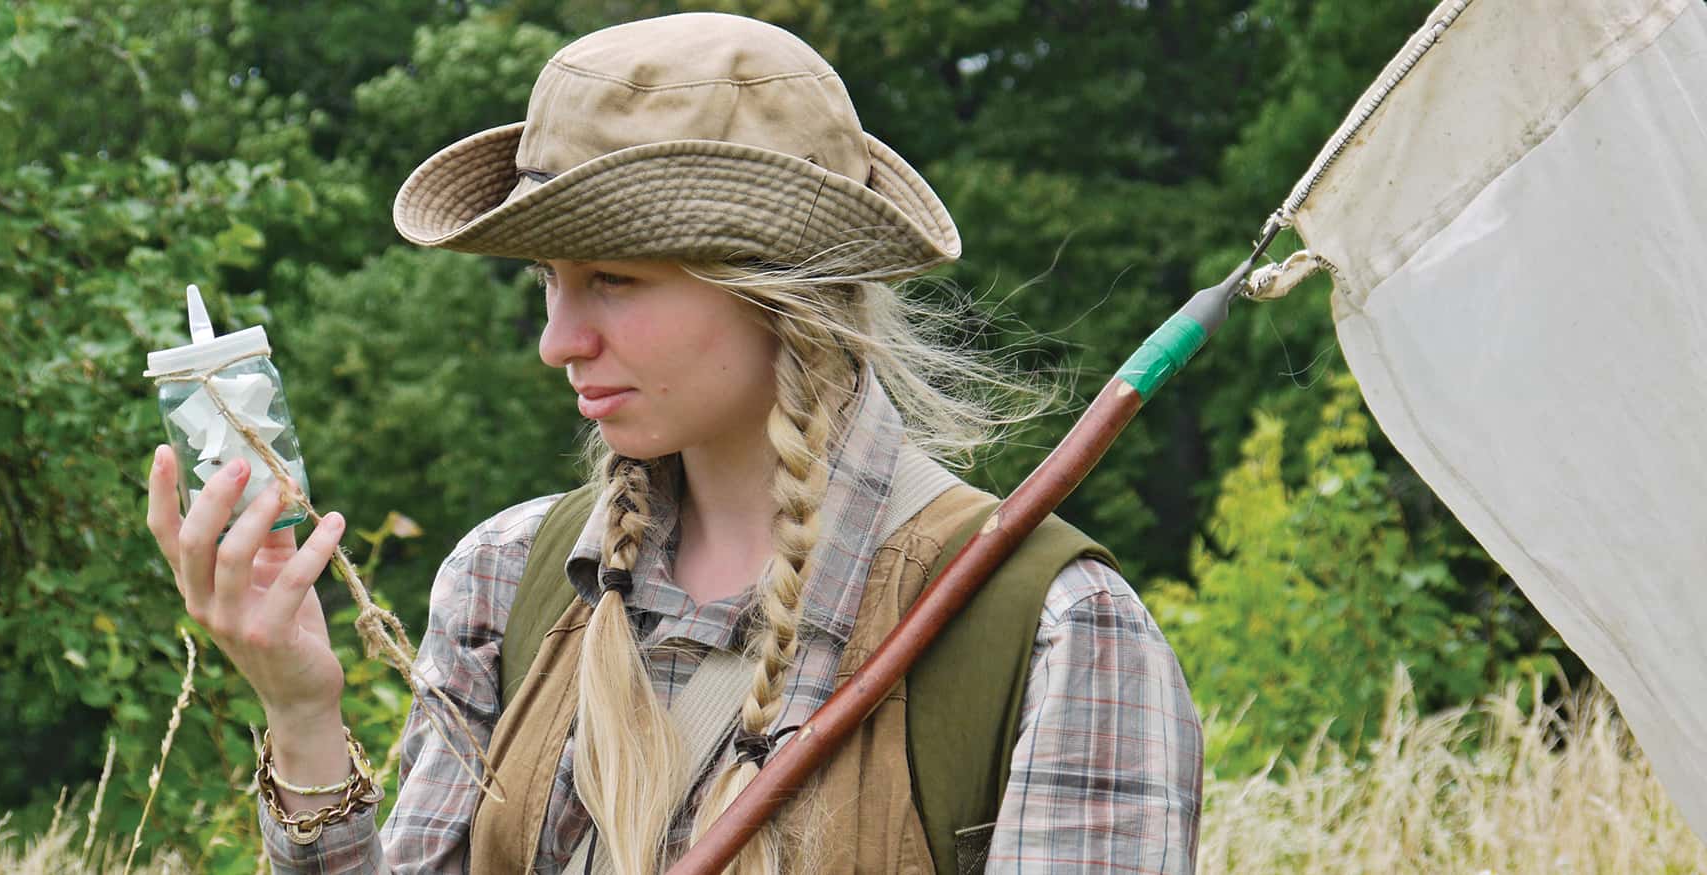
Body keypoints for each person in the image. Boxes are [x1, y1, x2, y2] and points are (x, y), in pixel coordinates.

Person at [145, 11, 1202, 874]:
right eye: (549, 282)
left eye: (613, 279)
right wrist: (299, 710)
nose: (560, 341)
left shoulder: (1053, 632)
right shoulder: (508, 578)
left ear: (775, 288)